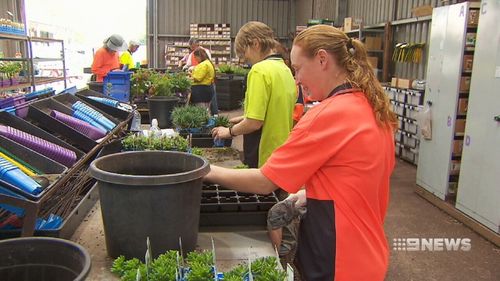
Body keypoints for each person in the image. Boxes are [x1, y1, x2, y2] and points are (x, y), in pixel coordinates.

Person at [205, 24, 397, 281]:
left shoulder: (328, 114)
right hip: (367, 254)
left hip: (337, 260)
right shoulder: (372, 108)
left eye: (297, 69)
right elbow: (359, 178)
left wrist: (205, 170)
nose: (296, 80)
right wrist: (310, 194)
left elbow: (264, 182)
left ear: (322, 59)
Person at [211, 21, 296, 170]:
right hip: (281, 150)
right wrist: (244, 117)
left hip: (262, 152)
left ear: (255, 43)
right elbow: (274, 111)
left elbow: (254, 123)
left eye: (244, 52)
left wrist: (229, 132)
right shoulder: (284, 69)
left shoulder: (259, 70)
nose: (245, 59)